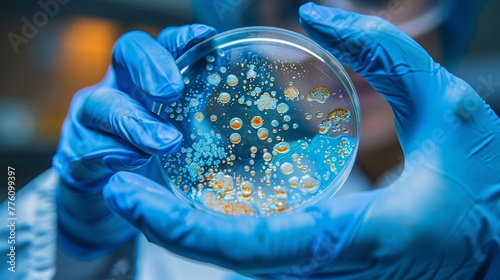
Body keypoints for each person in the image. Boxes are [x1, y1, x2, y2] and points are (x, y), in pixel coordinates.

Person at [1, 1, 499, 279]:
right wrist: (78, 245)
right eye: (292, 5)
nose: (343, 52)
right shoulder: (216, 214)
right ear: (249, 33)